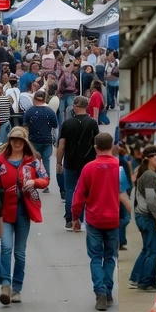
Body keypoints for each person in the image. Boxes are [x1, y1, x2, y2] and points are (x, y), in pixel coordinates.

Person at [0, 127, 48, 305]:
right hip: (5, 211)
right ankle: (5, 285)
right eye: (14, 139)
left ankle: (17, 288)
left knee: (20, 253)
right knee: (6, 248)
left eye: (20, 140)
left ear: (25, 142)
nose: (17, 143)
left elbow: (45, 179)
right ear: (9, 141)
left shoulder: (33, 162)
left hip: (24, 211)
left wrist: (35, 182)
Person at [72, 132, 127, 311]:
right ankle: (108, 291)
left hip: (94, 219)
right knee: (110, 257)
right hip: (113, 219)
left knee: (95, 257)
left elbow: (79, 196)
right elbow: (124, 194)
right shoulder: (119, 168)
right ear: (112, 146)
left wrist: (75, 217)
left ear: (95, 147)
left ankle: (100, 292)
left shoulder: (89, 168)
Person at [58, 96, 99, 232]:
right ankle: (82, 218)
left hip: (70, 161)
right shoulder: (93, 123)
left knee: (71, 190)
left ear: (75, 106)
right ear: (86, 106)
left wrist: (59, 162)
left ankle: (70, 219)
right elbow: (96, 144)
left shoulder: (67, 123)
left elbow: (62, 145)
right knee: (87, 191)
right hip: (89, 162)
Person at [130, 146, 156, 291]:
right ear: (148, 159)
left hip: (144, 216)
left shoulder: (147, 174)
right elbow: (151, 200)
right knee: (153, 251)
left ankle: (148, 279)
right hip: (148, 217)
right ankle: (145, 281)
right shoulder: (150, 176)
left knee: (149, 249)